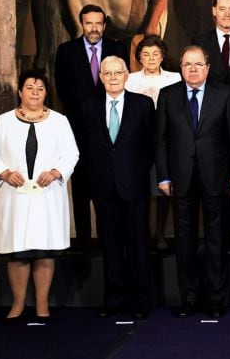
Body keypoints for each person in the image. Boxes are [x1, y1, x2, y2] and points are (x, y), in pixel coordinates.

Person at [0, 70, 79, 323]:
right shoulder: (3, 121)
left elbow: (72, 153)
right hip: (15, 196)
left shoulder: (59, 121)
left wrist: (57, 171)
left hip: (46, 195)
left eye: (40, 88)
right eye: (30, 87)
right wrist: (3, 172)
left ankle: (42, 304)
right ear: (20, 92)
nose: (35, 92)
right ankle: (17, 303)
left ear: (46, 93)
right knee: (18, 251)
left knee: (43, 250)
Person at [155, 45, 230, 318]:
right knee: (184, 240)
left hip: (217, 177)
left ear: (207, 67)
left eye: (198, 64)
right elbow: (162, 140)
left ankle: (216, 299)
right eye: (187, 64)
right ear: (180, 68)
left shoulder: (224, 94)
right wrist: (164, 176)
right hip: (180, 179)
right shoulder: (167, 96)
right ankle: (189, 298)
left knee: (217, 239)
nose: (192, 69)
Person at [78, 56, 155, 319]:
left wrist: (136, 169)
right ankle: (114, 299)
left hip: (133, 184)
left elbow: (152, 145)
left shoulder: (143, 105)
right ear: (100, 77)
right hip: (103, 186)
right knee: (110, 245)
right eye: (107, 73)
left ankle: (141, 300)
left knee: (138, 245)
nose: (112, 77)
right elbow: (84, 147)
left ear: (126, 75)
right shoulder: (88, 107)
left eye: (117, 72)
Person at [54, 4, 128, 250]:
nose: (94, 28)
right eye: (89, 23)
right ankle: (84, 239)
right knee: (81, 181)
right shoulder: (66, 51)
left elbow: (122, 85)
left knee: (108, 180)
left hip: (111, 125)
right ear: (81, 24)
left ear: (104, 24)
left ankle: (111, 238)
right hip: (78, 128)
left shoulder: (117, 48)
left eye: (98, 23)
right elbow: (62, 87)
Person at [124, 35, 181, 250]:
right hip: (138, 141)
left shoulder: (175, 78)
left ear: (162, 56)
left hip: (168, 141)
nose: (150, 58)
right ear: (139, 57)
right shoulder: (129, 79)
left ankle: (160, 233)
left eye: (155, 54)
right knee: (141, 189)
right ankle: (141, 234)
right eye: (145, 54)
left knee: (164, 188)